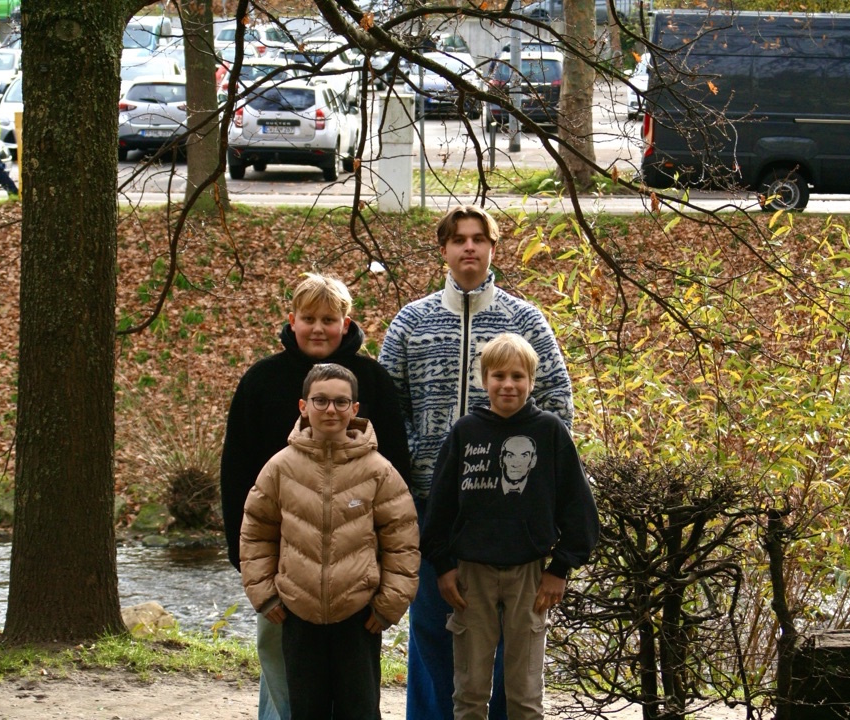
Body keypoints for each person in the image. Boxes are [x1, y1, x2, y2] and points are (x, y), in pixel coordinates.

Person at [378, 204, 574, 720]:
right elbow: (386, 408)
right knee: (432, 625)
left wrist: (537, 486)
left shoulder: (524, 320)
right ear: (443, 249)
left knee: (512, 638)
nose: (469, 247)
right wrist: (409, 472)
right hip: (430, 504)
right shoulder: (411, 322)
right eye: (459, 239)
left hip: (511, 510)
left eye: (479, 239)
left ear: (491, 248)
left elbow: (557, 403)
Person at [221, 273, 412, 720]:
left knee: (354, 682)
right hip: (282, 561)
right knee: (281, 666)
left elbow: (395, 486)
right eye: (309, 319)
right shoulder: (262, 381)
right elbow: (236, 475)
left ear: (346, 324)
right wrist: (247, 563)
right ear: (293, 321)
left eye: (329, 319)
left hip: (355, 566)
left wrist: (387, 573)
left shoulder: (371, 381)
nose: (319, 329)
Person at [420, 334, 599, 720]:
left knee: (525, 695)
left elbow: (579, 507)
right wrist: (443, 564)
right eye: (498, 376)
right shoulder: (465, 432)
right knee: (469, 692)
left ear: (531, 381)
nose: (508, 385)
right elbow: (439, 507)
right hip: (471, 575)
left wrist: (560, 568)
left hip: (530, 576)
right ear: (484, 380)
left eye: (518, 376)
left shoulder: (550, 431)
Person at [239, 363, 420, 720]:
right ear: (303, 406)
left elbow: (403, 540)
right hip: (297, 612)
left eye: (341, 402)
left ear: (355, 409)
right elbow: (256, 532)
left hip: (359, 615)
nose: (330, 410)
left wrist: (388, 604)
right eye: (320, 400)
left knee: (360, 710)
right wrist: (265, 593)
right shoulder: (280, 468)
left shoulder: (378, 470)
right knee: (306, 710)